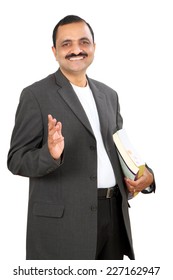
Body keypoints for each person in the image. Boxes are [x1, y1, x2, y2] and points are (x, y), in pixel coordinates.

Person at [7, 15, 155, 260]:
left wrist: (145, 175)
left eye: (83, 42)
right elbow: (16, 160)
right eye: (66, 44)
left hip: (114, 214)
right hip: (65, 224)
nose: (76, 49)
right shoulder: (35, 95)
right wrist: (50, 154)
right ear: (54, 51)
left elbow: (121, 149)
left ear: (93, 48)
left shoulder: (109, 95)